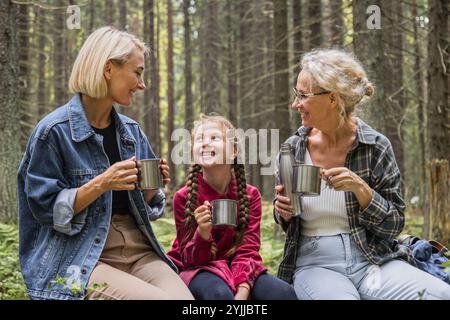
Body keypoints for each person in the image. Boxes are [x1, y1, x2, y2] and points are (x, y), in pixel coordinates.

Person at [17, 26, 193, 300]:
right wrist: (102, 183)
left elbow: (150, 206)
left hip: (137, 249)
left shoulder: (131, 133)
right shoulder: (53, 132)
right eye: (137, 72)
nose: (142, 84)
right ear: (109, 68)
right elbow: (45, 209)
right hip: (81, 254)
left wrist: (152, 188)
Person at [274, 48, 450, 300]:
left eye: (302, 95)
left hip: (372, 259)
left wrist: (363, 192)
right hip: (316, 262)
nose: (295, 104)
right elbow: (285, 220)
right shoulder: (293, 148)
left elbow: (395, 225)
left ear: (332, 99)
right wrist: (283, 212)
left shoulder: (375, 146)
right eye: (296, 94)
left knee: (441, 294)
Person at [167, 114, 297, 300]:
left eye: (214, 138)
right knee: (219, 294)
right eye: (199, 140)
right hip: (199, 268)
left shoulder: (250, 195)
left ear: (234, 150)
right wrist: (202, 234)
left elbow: (248, 251)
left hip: (240, 266)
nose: (205, 143)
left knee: (283, 294)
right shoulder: (184, 197)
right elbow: (190, 261)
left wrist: (243, 288)